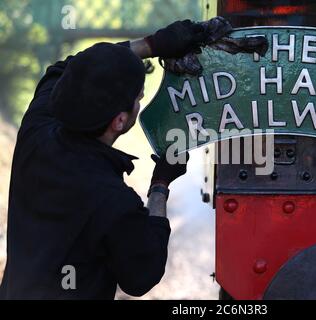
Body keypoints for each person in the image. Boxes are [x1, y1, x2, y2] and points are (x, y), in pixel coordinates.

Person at [0, 20, 208, 299]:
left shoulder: (36, 131)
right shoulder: (114, 201)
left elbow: (68, 68)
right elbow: (142, 275)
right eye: (138, 97)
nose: (141, 98)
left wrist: (152, 45)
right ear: (120, 120)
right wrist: (160, 184)